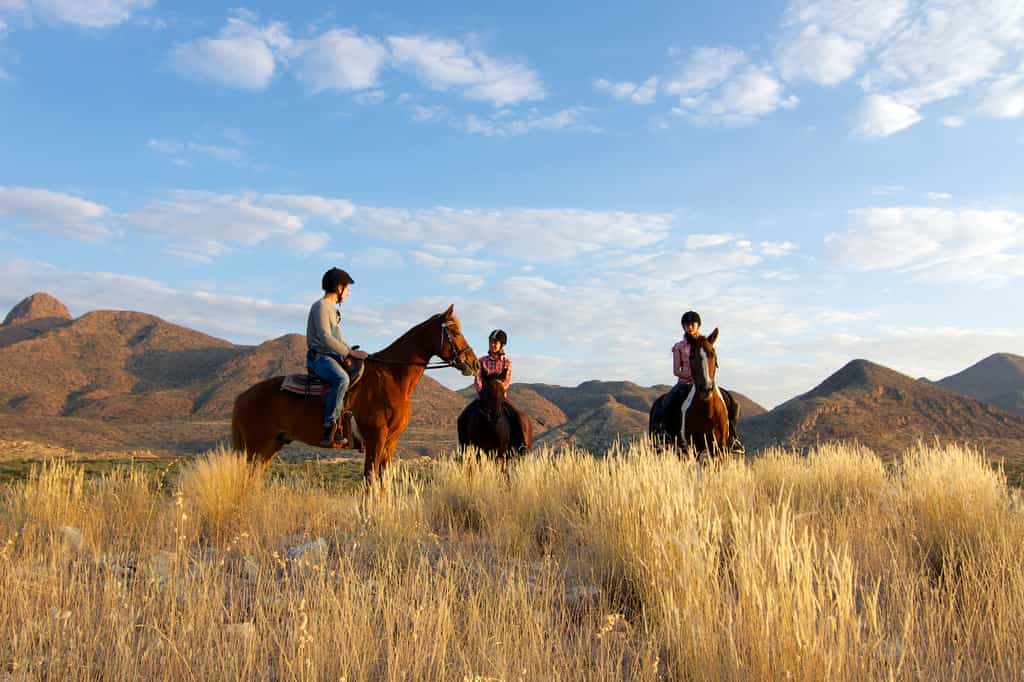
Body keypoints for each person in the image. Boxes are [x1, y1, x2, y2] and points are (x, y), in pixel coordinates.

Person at [306, 267, 368, 448]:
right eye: (347, 289)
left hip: (332, 356)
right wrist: (349, 353)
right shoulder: (321, 306)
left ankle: (355, 430)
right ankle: (330, 426)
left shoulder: (331, 309)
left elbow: (338, 339)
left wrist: (352, 352)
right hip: (319, 358)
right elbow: (325, 337)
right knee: (341, 379)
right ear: (339, 287)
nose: (348, 294)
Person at [669, 311, 741, 450]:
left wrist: (705, 377)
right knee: (669, 402)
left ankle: (732, 438)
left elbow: (712, 363)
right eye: (686, 325)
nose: (689, 327)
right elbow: (676, 370)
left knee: (734, 404)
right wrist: (692, 376)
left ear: (698, 325)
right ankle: (666, 436)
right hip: (686, 383)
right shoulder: (679, 346)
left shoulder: (707, 344)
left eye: (692, 324)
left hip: (706, 382)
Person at [470, 329, 527, 451]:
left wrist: (498, 392)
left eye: (495, 342)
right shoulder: (481, 361)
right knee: (463, 417)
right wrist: (482, 392)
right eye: (491, 342)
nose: (492, 344)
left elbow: (506, 381)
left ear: (501, 345)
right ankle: (464, 447)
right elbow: (477, 379)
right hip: (483, 397)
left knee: (517, 416)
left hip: (500, 398)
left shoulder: (507, 362)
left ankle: (521, 444)